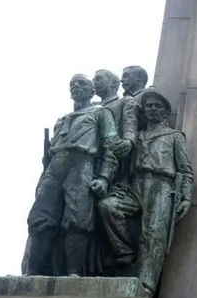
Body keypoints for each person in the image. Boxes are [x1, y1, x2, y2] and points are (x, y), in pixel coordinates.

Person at [25, 74, 124, 276]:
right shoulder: (62, 120)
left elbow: (111, 147)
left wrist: (104, 178)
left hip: (82, 164)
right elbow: (50, 153)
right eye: (72, 84)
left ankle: (73, 272)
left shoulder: (101, 113)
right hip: (55, 166)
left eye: (81, 84)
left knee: (77, 218)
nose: (75, 87)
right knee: (40, 216)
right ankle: (32, 272)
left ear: (91, 91)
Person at [98, 89, 194, 295]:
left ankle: (146, 285)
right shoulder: (136, 137)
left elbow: (186, 170)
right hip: (134, 184)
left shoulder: (175, 136)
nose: (152, 109)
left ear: (165, 113)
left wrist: (186, 196)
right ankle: (125, 253)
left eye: (157, 106)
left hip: (161, 185)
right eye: (149, 106)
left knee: (153, 235)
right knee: (108, 206)